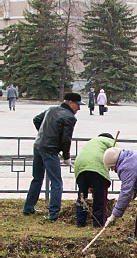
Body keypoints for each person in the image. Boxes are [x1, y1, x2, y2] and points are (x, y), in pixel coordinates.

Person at [23, 93, 82, 221]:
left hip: (38, 145)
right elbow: (66, 139)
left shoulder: (51, 109)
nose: (79, 108)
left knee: (37, 178)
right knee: (56, 182)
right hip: (50, 150)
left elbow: (36, 120)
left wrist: (45, 133)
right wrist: (66, 156)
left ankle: (28, 208)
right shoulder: (70, 118)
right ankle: (53, 214)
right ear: (70, 102)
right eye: (78, 105)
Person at [74, 133, 115, 227]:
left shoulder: (92, 142)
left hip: (80, 165)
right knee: (100, 197)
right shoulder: (111, 142)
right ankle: (98, 223)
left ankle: (80, 223)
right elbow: (118, 156)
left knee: (82, 196)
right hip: (97, 167)